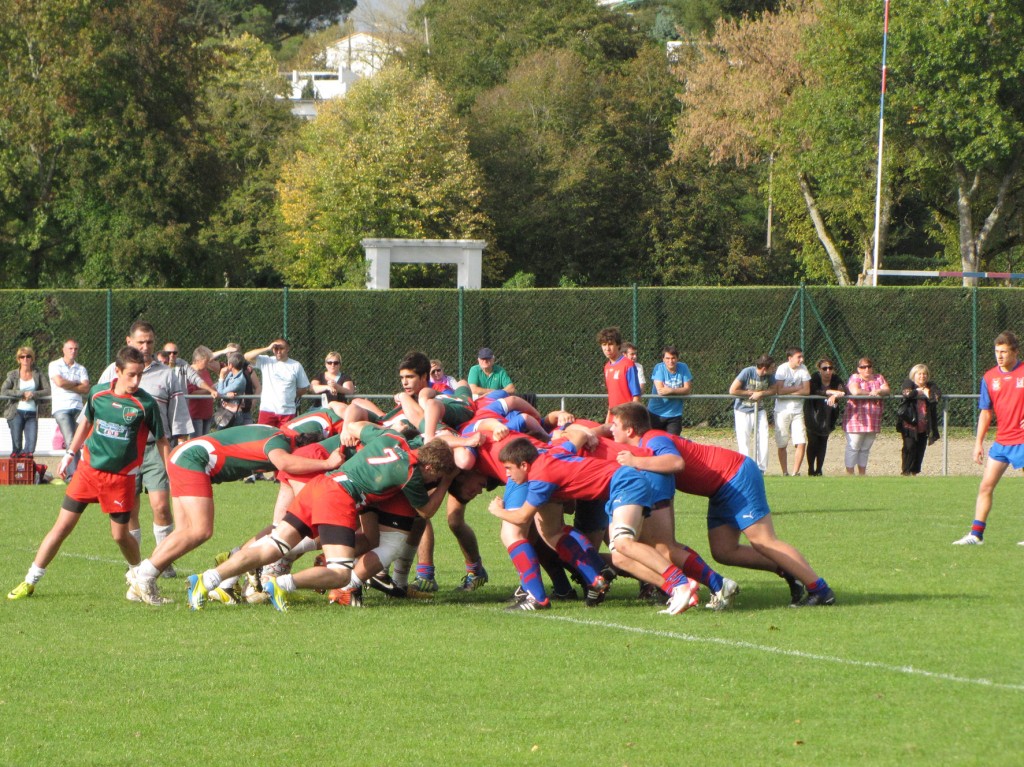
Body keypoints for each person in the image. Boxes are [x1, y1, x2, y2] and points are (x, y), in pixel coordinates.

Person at [613, 403, 833, 607]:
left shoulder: (652, 438)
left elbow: (676, 462)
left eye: (615, 425)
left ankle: (820, 590)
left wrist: (634, 461)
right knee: (724, 551)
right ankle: (788, 570)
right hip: (719, 488)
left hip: (735, 475)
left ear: (630, 430)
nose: (611, 429)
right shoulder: (644, 444)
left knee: (763, 540)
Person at [7, 346, 166, 601]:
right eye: (131, 375)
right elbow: (86, 424)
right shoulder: (98, 394)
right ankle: (29, 580)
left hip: (121, 478)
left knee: (120, 536)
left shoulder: (145, 403)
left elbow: (162, 440)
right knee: (61, 527)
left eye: (140, 375)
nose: (136, 381)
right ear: (118, 371)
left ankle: (139, 577)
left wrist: (172, 471)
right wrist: (70, 453)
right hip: (88, 473)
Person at [127, 423, 346, 605]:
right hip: (194, 459)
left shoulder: (277, 433)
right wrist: (327, 463)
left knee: (186, 531)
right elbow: (284, 462)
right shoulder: (280, 441)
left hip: (186, 455)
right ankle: (144, 578)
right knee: (200, 530)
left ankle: (141, 577)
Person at [490, 433, 699, 614]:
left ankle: (680, 583)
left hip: (625, 483)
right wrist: (584, 436)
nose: (507, 474)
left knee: (624, 544)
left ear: (524, 465)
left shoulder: (539, 477)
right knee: (619, 553)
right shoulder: (550, 452)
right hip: (623, 483)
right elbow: (577, 437)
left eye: (509, 468)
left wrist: (497, 510)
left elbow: (522, 518)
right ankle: (672, 587)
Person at [98, 321, 193, 575]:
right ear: (129, 341)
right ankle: (137, 565)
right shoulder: (112, 371)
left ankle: (164, 560)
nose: (145, 346)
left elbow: (178, 414)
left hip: (155, 448)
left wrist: (181, 442)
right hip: (124, 450)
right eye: (140, 341)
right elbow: (99, 405)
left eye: (150, 341)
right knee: (129, 510)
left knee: (161, 505)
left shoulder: (167, 374)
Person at [954, 331, 1024, 545]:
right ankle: (976, 535)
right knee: (985, 486)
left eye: (1004, 352)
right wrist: (978, 443)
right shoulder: (989, 377)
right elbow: (985, 413)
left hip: (1022, 440)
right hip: (1002, 441)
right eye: (996, 352)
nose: (999, 356)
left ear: (1015, 352)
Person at [48, 339, 90, 477]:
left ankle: (82, 473)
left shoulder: (81, 368)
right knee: (71, 440)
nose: (73, 351)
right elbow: (59, 382)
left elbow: (85, 388)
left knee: (81, 440)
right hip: (61, 408)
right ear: (63, 350)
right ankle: (73, 475)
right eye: (70, 348)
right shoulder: (54, 365)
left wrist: (69, 384)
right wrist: (76, 383)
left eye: (76, 349)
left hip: (78, 407)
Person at [245, 338, 309, 428]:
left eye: (281, 348)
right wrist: (267, 348)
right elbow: (247, 356)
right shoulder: (266, 361)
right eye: (276, 348)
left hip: (287, 412)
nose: (278, 351)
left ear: (288, 349)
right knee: (264, 438)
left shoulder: (296, 365)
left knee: (286, 439)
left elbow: (303, 388)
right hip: (267, 410)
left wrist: (290, 396)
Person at [843, 357, 890, 475]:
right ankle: (849, 473)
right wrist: (870, 393)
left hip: (873, 420)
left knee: (865, 449)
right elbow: (855, 391)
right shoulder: (855, 378)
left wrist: (879, 391)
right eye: (863, 367)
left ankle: (862, 474)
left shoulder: (878, 378)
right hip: (857, 420)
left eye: (869, 366)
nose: (867, 369)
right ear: (858, 369)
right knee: (853, 447)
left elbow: (887, 390)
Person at [728, 354, 775, 473]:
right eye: (772, 367)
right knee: (744, 440)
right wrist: (750, 393)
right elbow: (733, 390)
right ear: (764, 368)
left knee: (763, 437)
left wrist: (761, 394)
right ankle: (746, 468)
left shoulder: (770, 376)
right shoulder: (747, 372)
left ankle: (761, 469)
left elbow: (775, 389)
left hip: (759, 410)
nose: (774, 369)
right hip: (742, 410)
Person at [2, 346, 51, 456]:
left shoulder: (37, 373)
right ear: (18, 359)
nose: (25, 359)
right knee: (17, 447)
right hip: (16, 413)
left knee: (30, 448)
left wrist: (33, 394)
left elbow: (47, 390)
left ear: (32, 359)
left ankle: (26, 470)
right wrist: (21, 394)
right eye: (22, 357)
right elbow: (4, 390)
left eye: (28, 356)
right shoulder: (13, 375)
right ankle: (16, 470)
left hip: (32, 414)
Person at [804, 358, 847, 476]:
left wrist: (836, 395)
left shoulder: (836, 379)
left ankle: (819, 470)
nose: (828, 371)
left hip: (828, 415)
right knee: (813, 442)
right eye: (824, 368)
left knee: (823, 441)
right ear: (819, 369)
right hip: (813, 414)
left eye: (830, 368)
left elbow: (843, 391)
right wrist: (830, 393)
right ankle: (810, 469)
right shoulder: (814, 378)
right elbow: (814, 390)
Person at [897, 364, 941, 476]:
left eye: (924, 374)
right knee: (909, 447)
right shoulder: (908, 383)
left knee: (920, 449)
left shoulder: (931, 385)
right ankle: (905, 472)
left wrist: (926, 391)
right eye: (919, 374)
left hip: (925, 424)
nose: (922, 376)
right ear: (914, 375)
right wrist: (918, 391)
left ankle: (914, 472)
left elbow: (935, 397)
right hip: (909, 423)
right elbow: (907, 394)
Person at [773, 347, 811, 476]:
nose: (801, 360)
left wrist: (789, 390)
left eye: (802, 357)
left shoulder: (803, 369)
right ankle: (785, 472)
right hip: (781, 411)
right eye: (798, 357)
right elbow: (779, 391)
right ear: (790, 358)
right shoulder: (782, 369)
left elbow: (806, 391)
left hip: (797, 411)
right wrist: (797, 388)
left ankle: (795, 472)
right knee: (782, 442)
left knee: (801, 441)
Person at [598, 327, 641, 424]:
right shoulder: (607, 367)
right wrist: (607, 419)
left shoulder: (628, 364)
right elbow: (612, 397)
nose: (607, 348)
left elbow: (636, 396)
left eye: (610, 344)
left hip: (626, 418)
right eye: (604, 344)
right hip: (612, 418)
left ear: (618, 345)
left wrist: (631, 419)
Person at [648, 345, 692, 435]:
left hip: (675, 414)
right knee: (653, 443)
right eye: (667, 358)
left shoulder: (683, 367)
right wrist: (679, 390)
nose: (670, 361)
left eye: (673, 358)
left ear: (677, 358)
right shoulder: (659, 368)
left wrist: (671, 390)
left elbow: (687, 389)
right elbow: (661, 391)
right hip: (655, 413)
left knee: (672, 443)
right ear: (663, 359)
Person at [187, 346, 217, 438]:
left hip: (207, 414)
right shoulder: (190, 372)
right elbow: (191, 393)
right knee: (196, 442)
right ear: (198, 360)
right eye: (206, 361)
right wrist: (210, 390)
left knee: (205, 441)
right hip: (196, 414)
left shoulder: (205, 371)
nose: (208, 364)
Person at [215, 352, 249, 429]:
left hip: (234, 414)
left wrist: (221, 376)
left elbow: (220, 392)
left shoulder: (239, 380)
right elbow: (219, 388)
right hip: (225, 411)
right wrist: (225, 393)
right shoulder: (230, 374)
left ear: (230, 365)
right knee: (220, 438)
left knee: (231, 439)